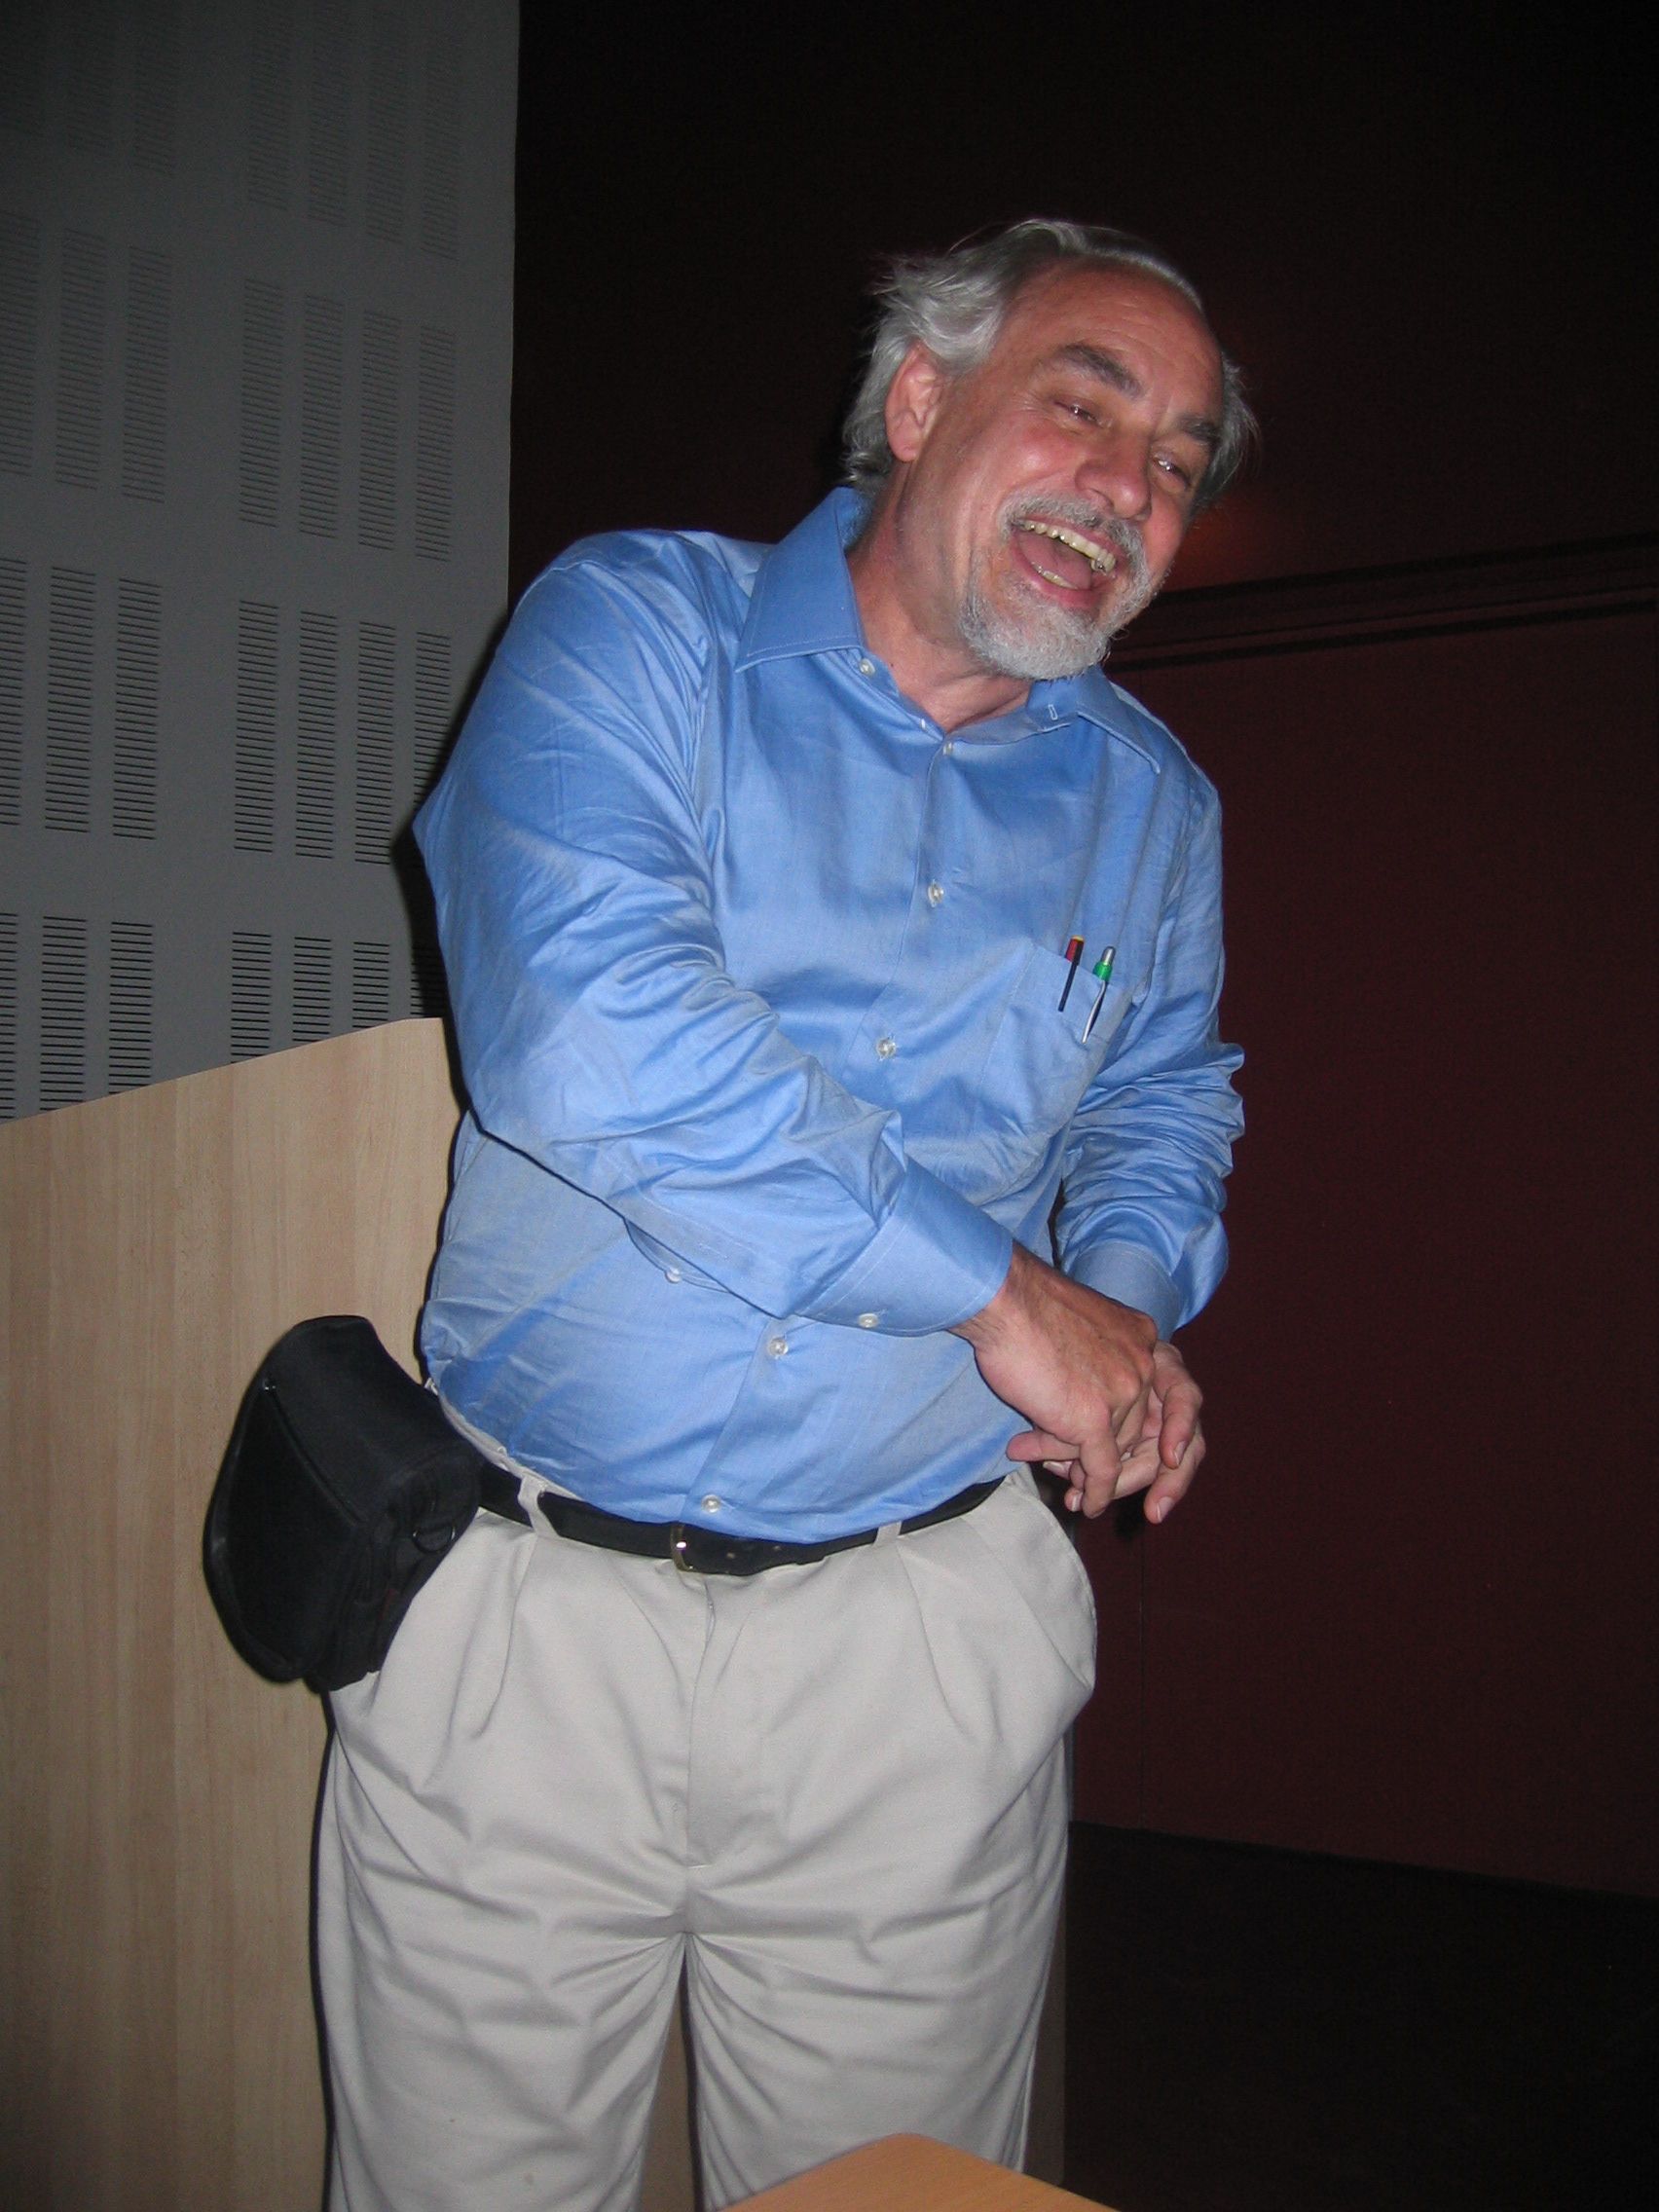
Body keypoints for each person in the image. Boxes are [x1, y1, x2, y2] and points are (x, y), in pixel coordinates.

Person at [316, 217, 1252, 2211]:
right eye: (1085, 409)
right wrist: (1002, 1295)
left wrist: (1119, 1307)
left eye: (1177, 461)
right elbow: (588, 1031)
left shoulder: (1156, 808)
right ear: (919, 402)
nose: (1129, 487)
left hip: (913, 1643)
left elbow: (1163, 1099)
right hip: (526, 1630)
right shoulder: (639, 630)